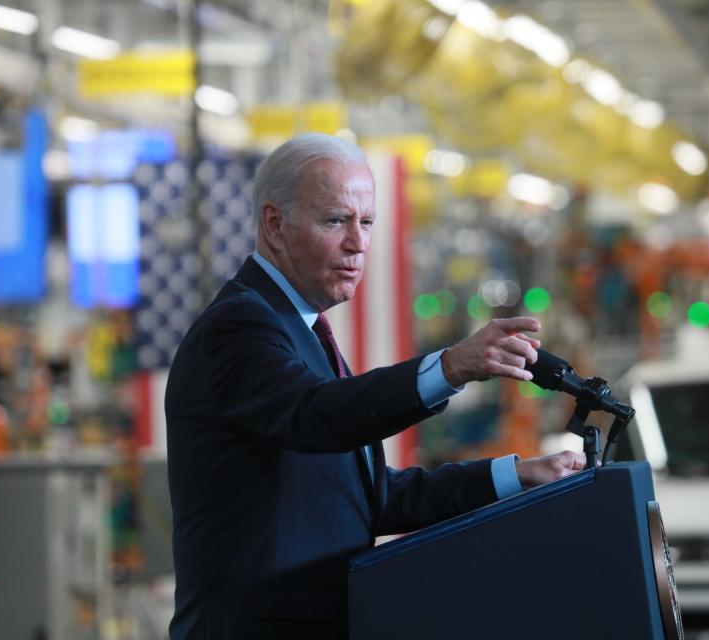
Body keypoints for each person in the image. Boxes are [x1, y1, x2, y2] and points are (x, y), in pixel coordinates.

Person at [165, 133, 586, 639]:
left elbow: (364, 497)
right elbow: (316, 417)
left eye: (366, 222)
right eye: (335, 220)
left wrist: (516, 475)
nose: (358, 243)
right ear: (275, 225)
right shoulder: (239, 329)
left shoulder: (299, 329)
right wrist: (448, 368)